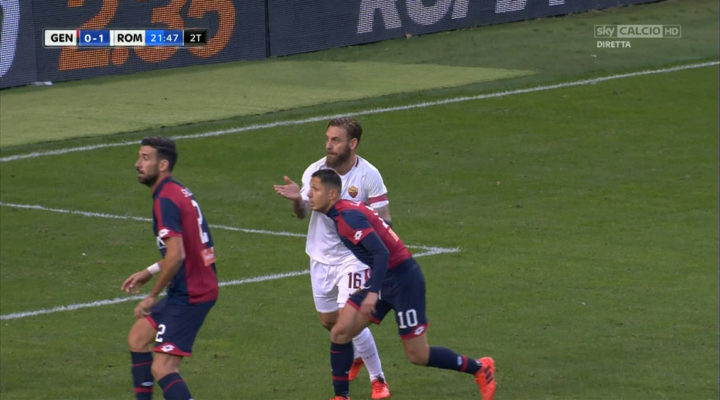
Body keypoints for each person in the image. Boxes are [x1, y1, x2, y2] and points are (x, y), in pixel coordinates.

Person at [307, 169, 496, 400]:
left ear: (332, 194)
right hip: (384, 278)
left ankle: (480, 367)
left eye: (315, 189)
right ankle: (341, 396)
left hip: (404, 281)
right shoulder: (343, 213)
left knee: (417, 355)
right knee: (340, 331)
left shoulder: (348, 218)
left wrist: (372, 292)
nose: (309, 194)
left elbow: (381, 253)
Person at [273, 117, 391, 398]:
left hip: (354, 257)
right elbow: (303, 213)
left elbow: (385, 220)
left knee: (348, 321)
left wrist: (378, 252)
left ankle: (378, 379)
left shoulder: (369, 175)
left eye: (336, 140)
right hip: (320, 256)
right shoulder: (315, 171)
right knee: (330, 322)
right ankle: (357, 354)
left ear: (353, 143)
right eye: (327, 139)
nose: (328, 145)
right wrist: (297, 200)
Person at [121, 136, 218, 400]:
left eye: (145, 158)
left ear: (163, 165)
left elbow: (176, 255)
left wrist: (151, 296)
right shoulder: (178, 191)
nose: (138, 164)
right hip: (190, 286)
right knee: (138, 337)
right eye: (139, 157)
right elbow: (189, 249)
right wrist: (149, 270)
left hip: (192, 293)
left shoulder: (165, 199)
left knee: (163, 367)